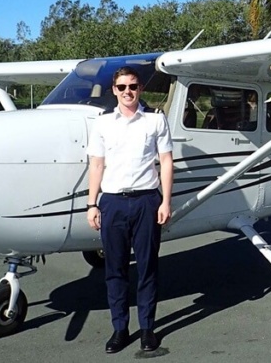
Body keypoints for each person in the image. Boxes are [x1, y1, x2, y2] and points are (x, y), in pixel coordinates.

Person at [87, 67, 174, 353]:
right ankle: (120, 329)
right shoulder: (102, 124)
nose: (128, 92)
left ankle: (147, 328)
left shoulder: (155, 121)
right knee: (115, 269)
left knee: (148, 267)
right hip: (112, 202)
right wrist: (92, 204)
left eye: (133, 86)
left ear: (140, 89)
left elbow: (166, 162)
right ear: (114, 90)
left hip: (146, 200)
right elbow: (97, 165)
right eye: (122, 87)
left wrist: (165, 201)